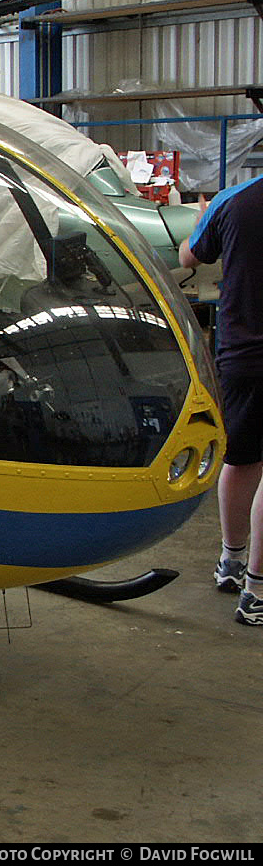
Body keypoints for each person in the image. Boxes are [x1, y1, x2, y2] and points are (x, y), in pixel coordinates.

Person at [180, 174, 263, 625]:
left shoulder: (234, 199)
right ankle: (257, 593)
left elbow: (189, 255)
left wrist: (201, 219)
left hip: (241, 353)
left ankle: (231, 562)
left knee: (242, 458)